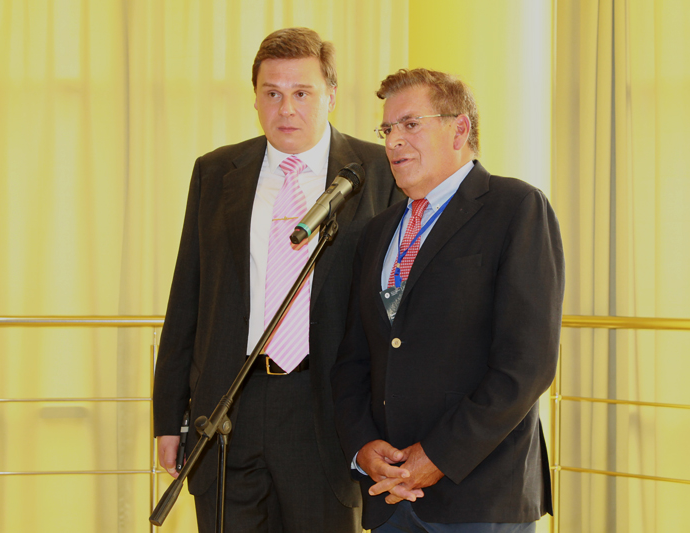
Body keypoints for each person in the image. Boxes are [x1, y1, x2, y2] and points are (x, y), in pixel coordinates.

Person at [152, 27, 401, 533]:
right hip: (229, 407)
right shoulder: (216, 171)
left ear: (331, 95)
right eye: (272, 93)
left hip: (326, 408)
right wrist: (169, 416)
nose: (286, 109)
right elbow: (188, 299)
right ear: (255, 99)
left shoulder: (378, 172)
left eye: (302, 93)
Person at [331, 68, 565, 532]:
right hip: (390, 495)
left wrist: (438, 455)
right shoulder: (377, 231)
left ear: (459, 129)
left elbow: (527, 364)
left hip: (479, 496)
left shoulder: (515, 207)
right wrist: (362, 446)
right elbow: (355, 358)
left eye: (410, 124)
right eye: (387, 129)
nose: (393, 141)